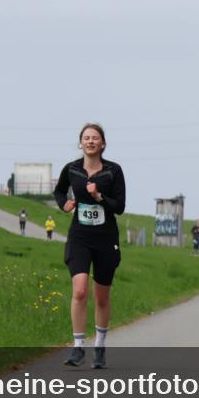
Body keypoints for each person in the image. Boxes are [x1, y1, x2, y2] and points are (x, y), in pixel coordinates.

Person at [53, 123, 126, 370]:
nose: (91, 141)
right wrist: (63, 204)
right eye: (86, 138)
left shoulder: (113, 171)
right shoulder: (72, 169)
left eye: (95, 138)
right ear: (80, 143)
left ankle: (100, 347)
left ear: (103, 144)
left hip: (106, 237)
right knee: (80, 291)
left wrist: (99, 197)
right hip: (80, 236)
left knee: (101, 296)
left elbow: (120, 206)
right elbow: (59, 191)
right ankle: (77, 347)